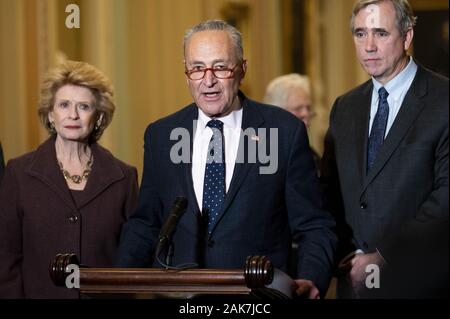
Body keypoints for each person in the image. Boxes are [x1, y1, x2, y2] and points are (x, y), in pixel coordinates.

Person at [115, 20, 337, 299]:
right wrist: (117, 285)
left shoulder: (283, 132)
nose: (208, 80)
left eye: (220, 67)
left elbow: (313, 224)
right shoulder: (162, 135)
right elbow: (145, 224)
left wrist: (311, 279)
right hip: (183, 298)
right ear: (186, 73)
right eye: (197, 68)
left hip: (258, 298)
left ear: (242, 69)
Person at [321, 0, 448, 298]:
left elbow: (445, 199)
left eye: (380, 33)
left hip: (420, 282)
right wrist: (344, 256)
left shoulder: (443, 100)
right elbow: (328, 192)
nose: (369, 46)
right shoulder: (345, 106)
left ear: (407, 36)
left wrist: (384, 257)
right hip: (353, 282)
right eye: (360, 33)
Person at [0, 60, 139, 298]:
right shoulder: (18, 173)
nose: (73, 115)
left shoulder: (124, 178)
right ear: (51, 114)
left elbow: (132, 257)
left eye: (84, 106)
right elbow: (6, 257)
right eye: (64, 105)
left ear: (98, 117)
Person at [264, 74, 321, 171]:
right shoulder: (264, 156)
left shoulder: (312, 156)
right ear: (277, 113)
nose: (306, 114)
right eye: (298, 108)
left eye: (308, 108)